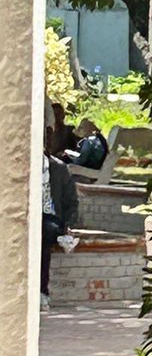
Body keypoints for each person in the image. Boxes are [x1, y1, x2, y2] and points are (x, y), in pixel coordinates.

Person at [41, 121, 79, 311]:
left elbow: (71, 202)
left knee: (44, 234)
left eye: (49, 140)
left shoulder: (60, 169)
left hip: (49, 218)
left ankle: (42, 292)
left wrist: (68, 225)